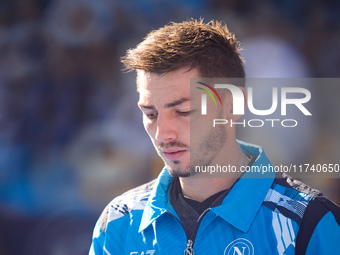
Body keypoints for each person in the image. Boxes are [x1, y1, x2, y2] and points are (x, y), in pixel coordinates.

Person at [89, 19, 340, 255]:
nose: (162, 133)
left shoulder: (311, 222)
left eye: (183, 111)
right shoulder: (117, 221)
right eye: (151, 114)